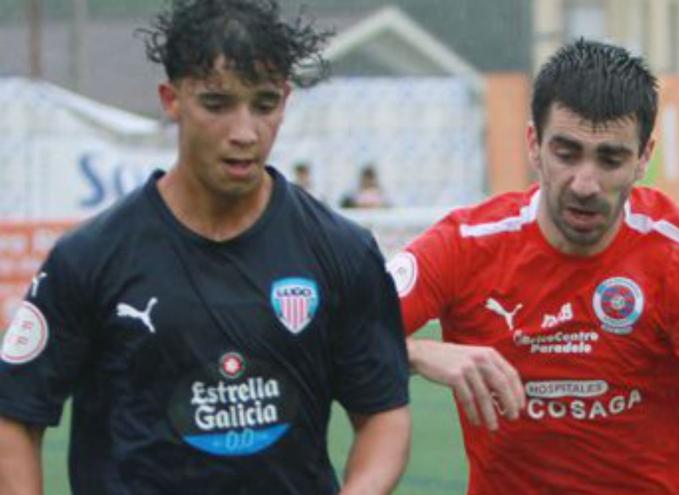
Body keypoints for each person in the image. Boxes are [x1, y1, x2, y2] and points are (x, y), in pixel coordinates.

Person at [0, 1, 411, 494]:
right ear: (172, 100)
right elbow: (14, 418)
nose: (244, 132)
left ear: (285, 99)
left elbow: (383, 414)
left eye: (263, 105)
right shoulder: (90, 256)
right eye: (217, 104)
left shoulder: (342, 250)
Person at [388, 39, 679, 494]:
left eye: (610, 159)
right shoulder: (465, 246)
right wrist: (419, 353)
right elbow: (337, 333)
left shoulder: (678, 253)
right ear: (534, 144)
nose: (585, 183)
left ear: (644, 158)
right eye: (567, 152)